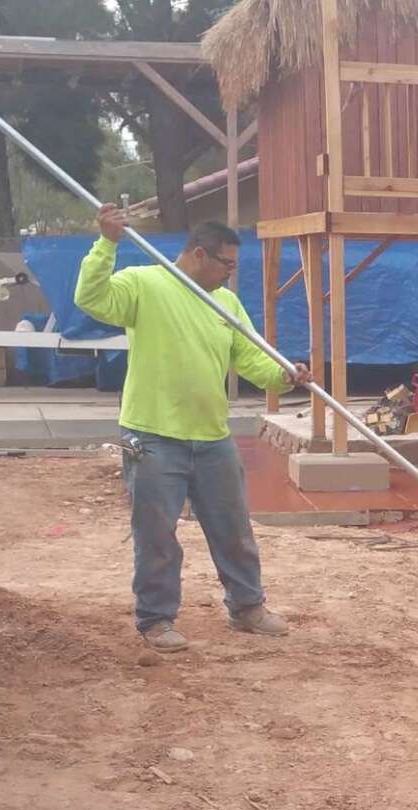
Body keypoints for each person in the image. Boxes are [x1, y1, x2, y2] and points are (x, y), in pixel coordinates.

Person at [76, 205, 313, 652]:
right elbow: (91, 298)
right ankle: (156, 619)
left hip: (211, 438)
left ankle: (246, 606)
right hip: (152, 437)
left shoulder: (224, 303)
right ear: (200, 255)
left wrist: (284, 375)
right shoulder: (145, 284)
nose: (230, 274)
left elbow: (249, 356)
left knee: (233, 527)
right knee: (157, 534)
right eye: (227, 264)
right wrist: (106, 243)